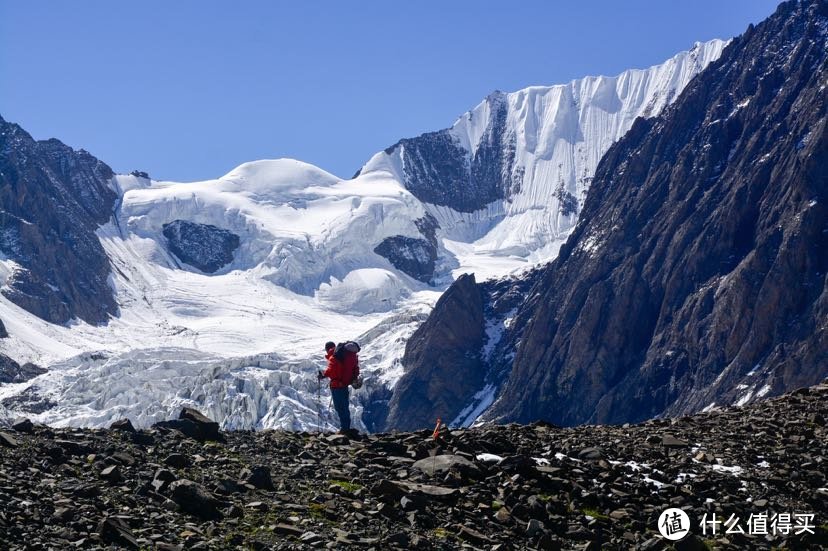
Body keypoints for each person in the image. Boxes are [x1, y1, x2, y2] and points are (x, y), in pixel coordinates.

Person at [318, 341, 360, 435]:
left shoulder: (335, 356)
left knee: (339, 407)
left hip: (337, 385)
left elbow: (332, 370)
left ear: (327, 349)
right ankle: (346, 427)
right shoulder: (348, 355)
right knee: (345, 406)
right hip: (345, 384)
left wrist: (323, 375)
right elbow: (355, 369)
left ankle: (344, 429)